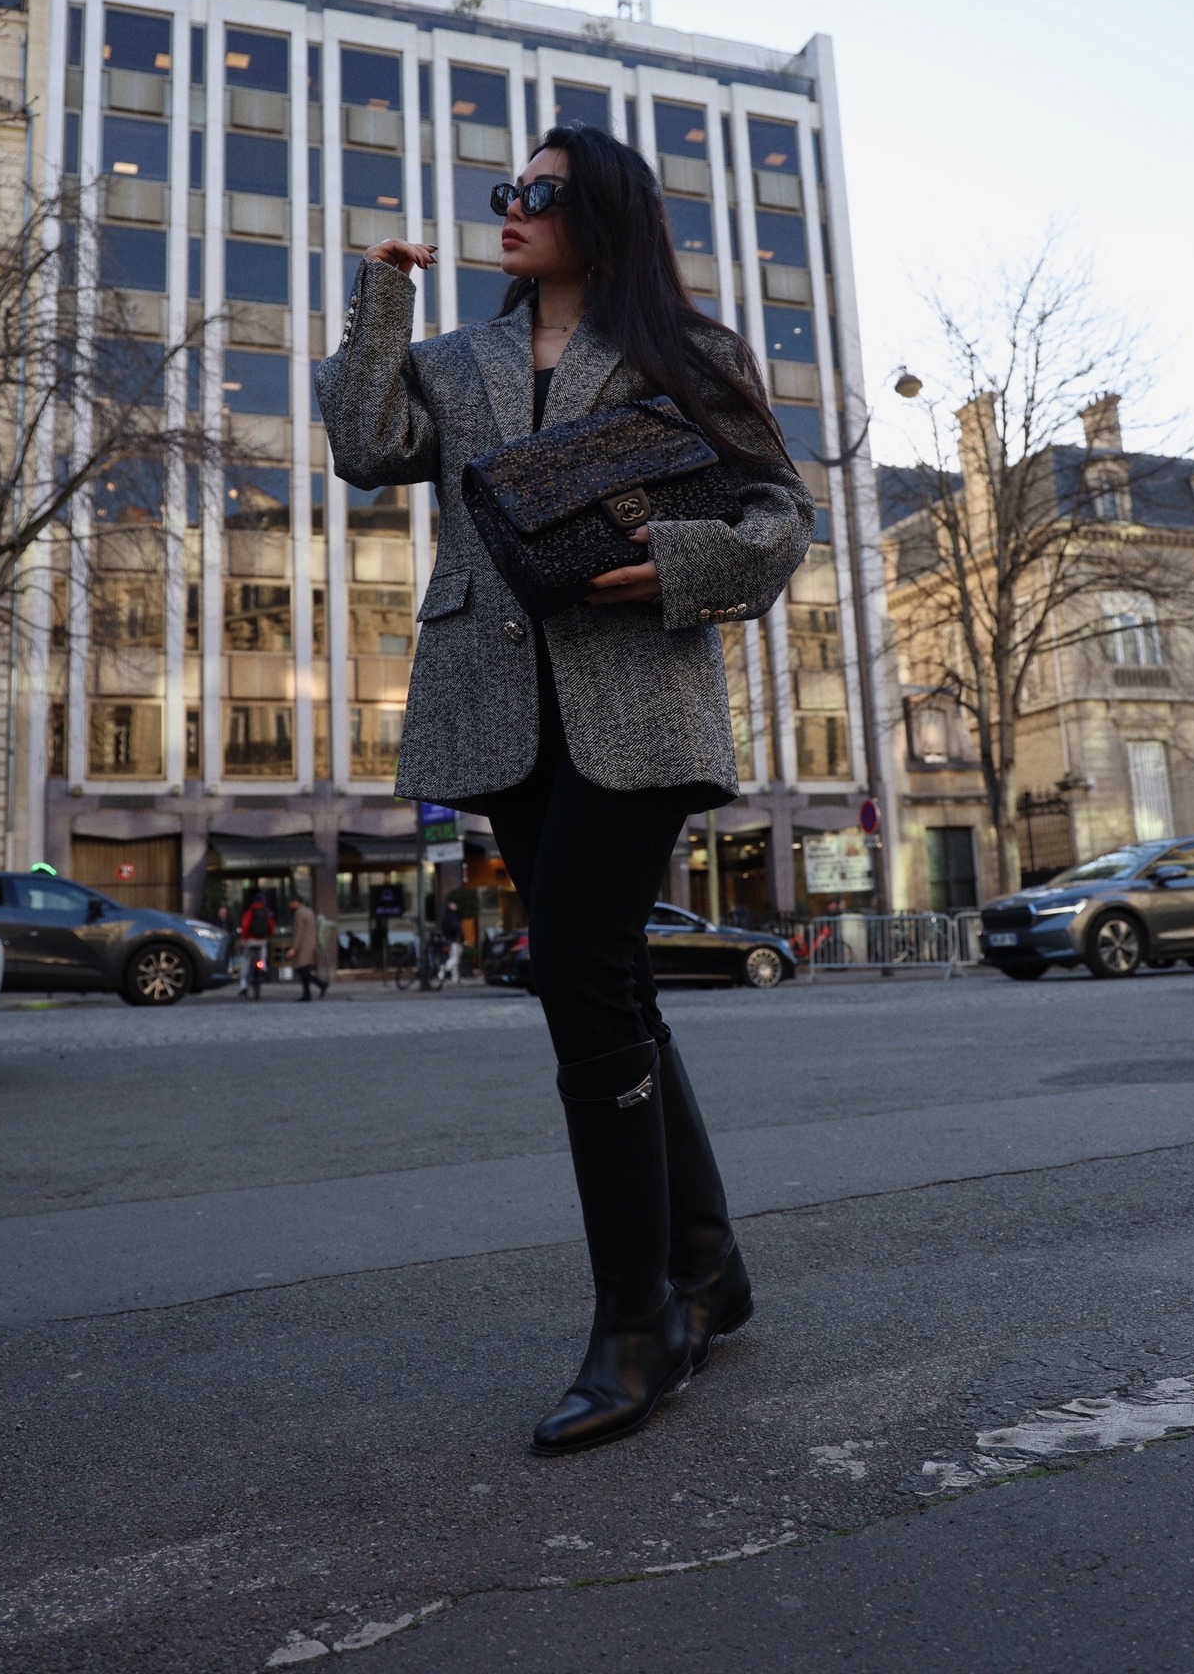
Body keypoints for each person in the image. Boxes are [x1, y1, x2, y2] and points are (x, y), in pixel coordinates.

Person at [315, 124, 811, 1455]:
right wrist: (381, 296)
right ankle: (707, 1267)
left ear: (599, 211)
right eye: (503, 192)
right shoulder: (457, 361)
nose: (510, 210)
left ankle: (637, 1323)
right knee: (613, 982)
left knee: (579, 967)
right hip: (496, 704)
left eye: (537, 193)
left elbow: (780, 515)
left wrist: (691, 563)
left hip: (638, 699)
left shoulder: (688, 356)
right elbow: (364, 442)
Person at [287, 890, 322, 1002]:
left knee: (303, 970)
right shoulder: (309, 911)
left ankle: (321, 984)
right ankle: (307, 994)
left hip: (303, 946)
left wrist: (294, 948)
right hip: (310, 944)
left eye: (291, 903)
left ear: (296, 902)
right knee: (304, 970)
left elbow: (299, 932)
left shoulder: (299, 913)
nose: (290, 905)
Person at [238, 891, 273, 1000]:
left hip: (250, 940)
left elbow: (245, 925)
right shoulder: (267, 912)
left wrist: (243, 938)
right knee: (262, 956)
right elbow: (271, 926)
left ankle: (243, 984)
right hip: (262, 940)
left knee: (246, 960)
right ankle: (263, 967)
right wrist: (268, 935)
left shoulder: (250, 912)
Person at [437, 893, 463, 985]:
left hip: (448, 939)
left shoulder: (446, 917)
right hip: (454, 940)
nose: (455, 906)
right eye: (454, 904)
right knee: (455, 958)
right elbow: (457, 929)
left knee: (453, 958)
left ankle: (455, 978)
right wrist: (460, 939)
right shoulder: (454, 917)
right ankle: (443, 970)